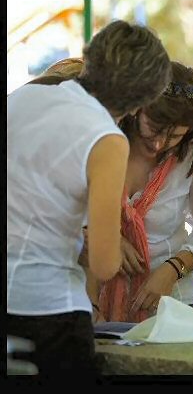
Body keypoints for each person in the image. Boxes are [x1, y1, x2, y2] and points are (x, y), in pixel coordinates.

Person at [7, 20, 171, 376]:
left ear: (90, 57)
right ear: (143, 100)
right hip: (49, 311)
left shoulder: (21, 98)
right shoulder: (106, 139)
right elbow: (104, 263)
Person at [86, 62, 193, 323]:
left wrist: (173, 269)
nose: (161, 143)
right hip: (89, 298)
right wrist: (102, 236)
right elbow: (62, 213)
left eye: (175, 136)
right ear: (136, 111)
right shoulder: (100, 141)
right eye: (154, 129)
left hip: (169, 301)